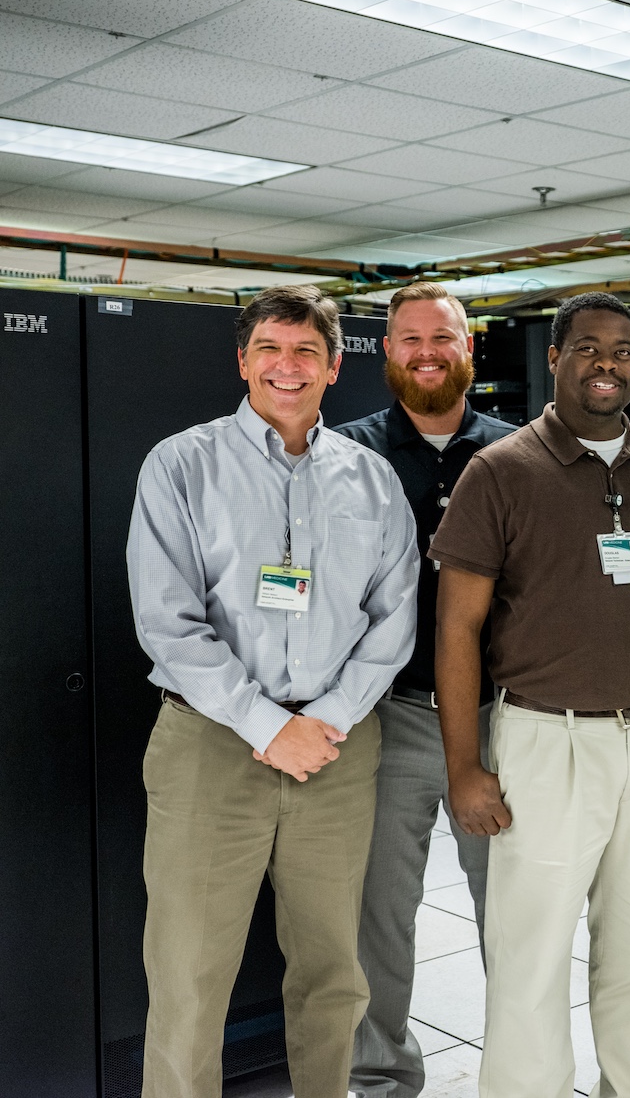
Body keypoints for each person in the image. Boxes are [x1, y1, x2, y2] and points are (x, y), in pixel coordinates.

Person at [126, 284, 418, 1098]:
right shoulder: (182, 464)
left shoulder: (371, 480)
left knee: (334, 973)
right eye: (270, 350)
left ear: (332, 368)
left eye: (305, 353)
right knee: (188, 975)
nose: (286, 367)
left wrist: (321, 721)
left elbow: (392, 622)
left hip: (335, 752)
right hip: (210, 748)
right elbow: (167, 622)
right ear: (243, 362)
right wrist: (265, 724)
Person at [429, 291, 630, 1098]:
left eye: (622, 349)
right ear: (554, 359)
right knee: (531, 950)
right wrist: (464, 767)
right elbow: (455, 630)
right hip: (545, 742)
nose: (606, 363)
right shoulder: (500, 470)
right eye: (586, 348)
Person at [336, 282, 516, 1098]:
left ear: (469, 347)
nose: (426, 351)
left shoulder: (521, 454)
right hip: (388, 715)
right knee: (379, 913)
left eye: (441, 336)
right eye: (408, 338)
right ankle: (378, 1075)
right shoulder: (346, 454)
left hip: (502, 719)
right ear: (386, 353)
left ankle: (519, 1069)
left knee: (513, 909)